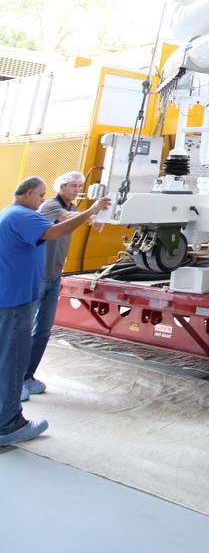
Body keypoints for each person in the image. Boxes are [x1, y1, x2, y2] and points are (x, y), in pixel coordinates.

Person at [0, 176, 110, 446]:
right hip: (15, 301)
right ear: (27, 194)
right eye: (40, 194)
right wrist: (92, 210)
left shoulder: (10, 214)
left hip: (10, 297)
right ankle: (8, 424)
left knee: (7, 358)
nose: (41, 200)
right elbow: (55, 231)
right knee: (13, 359)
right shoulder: (24, 215)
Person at [23, 170, 85, 400]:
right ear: (61, 187)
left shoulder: (72, 209)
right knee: (25, 330)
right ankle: (15, 381)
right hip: (39, 277)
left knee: (43, 330)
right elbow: (66, 220)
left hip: (55, 276)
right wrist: (95, 211)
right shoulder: (51, 206)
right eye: (73, 186)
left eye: (80, 186)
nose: (77, 190)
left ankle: (27, 376)